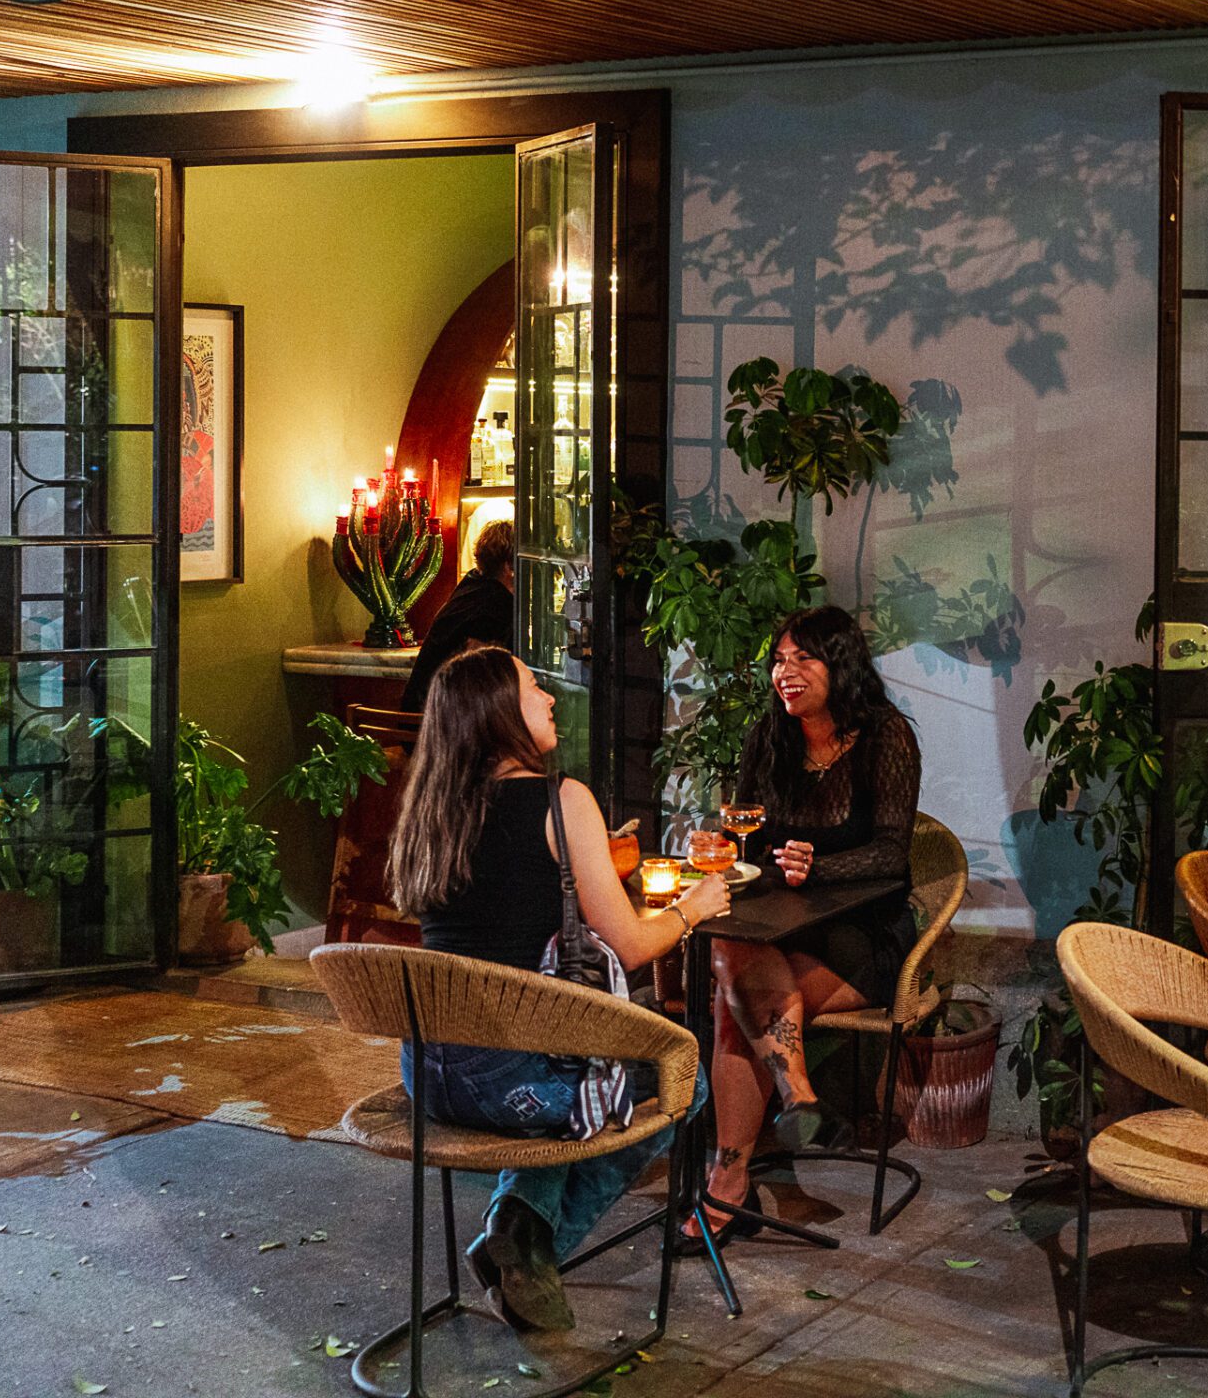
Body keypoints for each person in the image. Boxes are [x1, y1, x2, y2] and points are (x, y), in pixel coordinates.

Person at [387, 643, 728, 1335]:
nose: (547, 697)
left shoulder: (429, 811)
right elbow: (631, 946)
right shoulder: (560, 799)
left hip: (429, 1074)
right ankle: (526, 1247)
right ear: (498, 713)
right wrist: (695, 907)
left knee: (576, 1067)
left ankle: (518, 1222)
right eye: (532, 686)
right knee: (682, 1079)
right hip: (514, 1084)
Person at [696, 605, 923, 1245]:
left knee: (732, 1009)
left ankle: (728, 1184)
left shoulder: (885, 737)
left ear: (840, 665)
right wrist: (717, 847)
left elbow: (892, 853)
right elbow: (745, 837)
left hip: (866, 935)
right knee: (735, 968)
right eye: (778, 660)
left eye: (803, 659)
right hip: (780, 930)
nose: (784, 673)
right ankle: (798, 1099)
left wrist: (817, 868)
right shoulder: (768, 738)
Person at [400, 520, 516, 710]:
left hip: (420, 710)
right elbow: (486, 676)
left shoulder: (473, 584)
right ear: (509, 566)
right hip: (438, 721)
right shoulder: (495, 602)